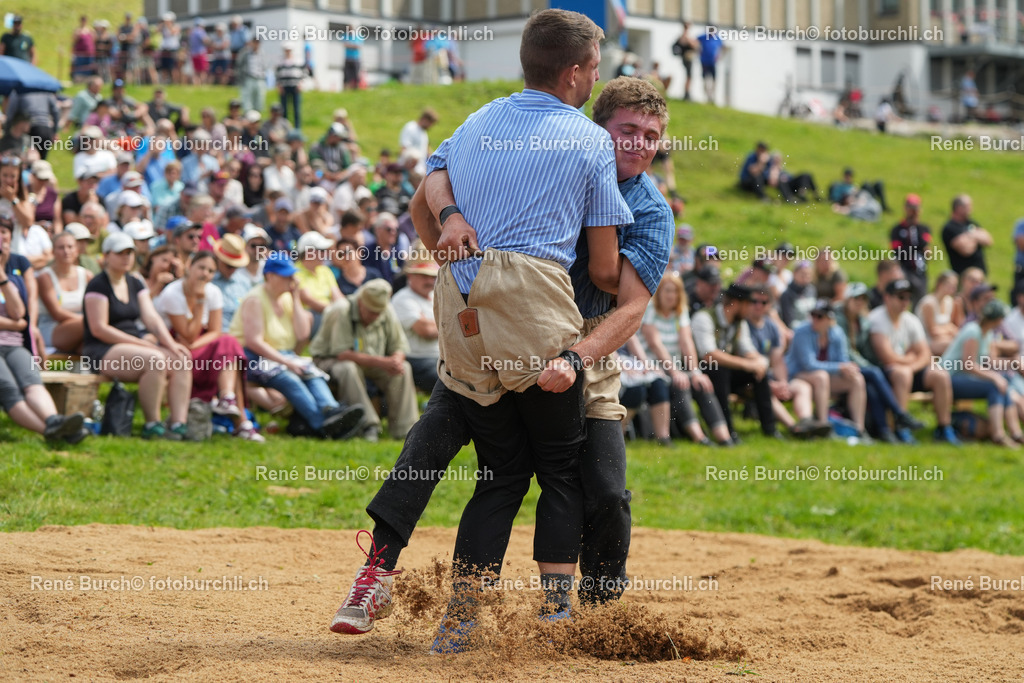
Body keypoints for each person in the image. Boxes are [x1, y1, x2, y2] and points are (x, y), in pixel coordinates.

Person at [329, 69, 666, 646]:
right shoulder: (555, 153)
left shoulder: (649, 209)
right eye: (626, 130)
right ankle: (393, 582)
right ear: (595, 126)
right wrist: (450, 258)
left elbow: (626, 300)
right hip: (494, 327)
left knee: (602, 489)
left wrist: (579, 355)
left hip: (583, 341)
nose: (637, 143)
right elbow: (427, 191)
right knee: (447, 449)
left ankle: (601, 615)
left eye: (650, 134)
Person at [229, 251, 364, 438]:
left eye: (292, 275)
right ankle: (321, 425)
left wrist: (295, 298)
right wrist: (287, 361)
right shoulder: (255, 299)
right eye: (286, 276)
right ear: (270, 276)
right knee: (290, 379)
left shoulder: (286, 297)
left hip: (282, 354)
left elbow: (302, 334)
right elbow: (254, 342)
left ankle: (333, 412)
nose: (291, 279)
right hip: (253, 357)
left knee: (312, 373)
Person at [82, 232, 192, 439]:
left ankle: (179, 424)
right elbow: (99, 329)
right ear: (106, 256)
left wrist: (170, 344)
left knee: (181, 359)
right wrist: (141, 344)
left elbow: (151, 318)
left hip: (134, 345)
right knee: (155, 360)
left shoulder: (135, 282)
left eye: (130, 253)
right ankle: (153, 424)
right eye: (121, 253)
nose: (127, 258)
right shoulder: (98, 284)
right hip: (101, 349)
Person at [154, 251, 262, 442]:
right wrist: (200, 303)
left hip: (194, 346)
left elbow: (214, 331)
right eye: (201, 268)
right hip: (174, 351)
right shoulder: (173, 293)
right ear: (189, 267)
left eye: (211, 271)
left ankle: (228, 398)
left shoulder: (213, 291)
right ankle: (242, 422)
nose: (205, 274)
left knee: (229, 344)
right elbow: (187, 333)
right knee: (230, 353)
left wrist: (194, 343)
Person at [0, 220, 87, 444]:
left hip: (14, 344)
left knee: (32, 382)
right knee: (9, 389)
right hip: (10, 338)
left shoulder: (8, 277)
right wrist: (14, 324)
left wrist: (2, 277)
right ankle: (54, 430)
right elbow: (17, 321)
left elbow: (19, 313)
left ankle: (53, 422)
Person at [311, 279, 418, 441]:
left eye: (378, 312)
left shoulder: (386, 309)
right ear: (360, 302)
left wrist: (396, 360)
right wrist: (383, 362)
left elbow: (399, 346)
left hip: (369, 361)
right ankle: (369, 425)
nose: (375, 316)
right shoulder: (342, 309)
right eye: (371, 311)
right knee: (347, 368)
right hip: (328, 361)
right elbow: (342, 353)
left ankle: (405, 429)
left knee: (404, 368)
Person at [640, 272, 731, 445]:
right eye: (667, 291)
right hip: (654, 367)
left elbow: (686, 342)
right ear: (659, 293)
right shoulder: (650, 309)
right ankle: (698, 436)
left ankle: (723, 436)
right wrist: (675, 372)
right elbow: (655, 344)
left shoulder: (680, 312)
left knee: (702, 384)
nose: (671, 295)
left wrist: (695, 371)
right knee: (680, 385)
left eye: (675, 291)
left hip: (675, 367)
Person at [867, 278, 959, 445]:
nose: (905, 302)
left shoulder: (911, 320)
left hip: (907, 370)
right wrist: (910, 360)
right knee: (903, 374)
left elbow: (925, 353)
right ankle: (901, 426)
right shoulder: (876, 320)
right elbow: (887, 357)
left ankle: (943, 427)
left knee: (940, 375)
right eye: (901, 297)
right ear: (887, 297)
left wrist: (911, 364)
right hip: (884, 373)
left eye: (908, 298)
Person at [939, 300, 1022, 447]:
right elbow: (968, 365)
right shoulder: (973, 331)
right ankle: (998, 435)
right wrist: (995, 377)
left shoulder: (987, 333)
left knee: (1003, 384)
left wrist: (1013, 362)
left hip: (964, 378)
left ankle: (1016, 434)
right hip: (948, 380)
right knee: (995, 385)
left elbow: (989, 362)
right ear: (997, 319)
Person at [785, 299, 868, 439]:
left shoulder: (837, 333)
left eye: (820, 316)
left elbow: (843, 360)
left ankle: (859, 429)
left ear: (830, 319)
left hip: (822, 379)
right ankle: (823, 425)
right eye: (813, 315)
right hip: (797, 376)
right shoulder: (801, 332)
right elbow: (809, 365)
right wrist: (840, 367)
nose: (815, 319)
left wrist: (848, 368)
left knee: (857, 379)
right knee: (821, 376)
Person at [390, 247, 440, 393]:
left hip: (439, 358)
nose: (430, 281)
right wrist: (449, 324)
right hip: (417, 359)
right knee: (449, 380)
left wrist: (433, 324)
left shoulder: (435, 297)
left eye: (433, 276)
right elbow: (426, 330)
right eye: (424, 276)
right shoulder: (403, 298)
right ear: (410, 276)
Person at [37, 231, 93, 354]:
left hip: (83, 329)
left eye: (70, 247)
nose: (66, 251)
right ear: (53, 252)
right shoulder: (44, 277)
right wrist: (90, 321)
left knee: (87, 349)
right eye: (61, 247)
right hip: (53, 327)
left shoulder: (87, 275)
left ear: (77, 250)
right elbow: (57, 313)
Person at [295, 230, 343, 336]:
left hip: (328, 314)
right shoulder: (295, 272)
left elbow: (338, 296)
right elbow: (308, 300)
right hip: (311, 317)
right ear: (308, 252)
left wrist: (344, 309)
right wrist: (336, 311)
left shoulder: (325, 270)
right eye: (321, 250)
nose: (325, 254)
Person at [890, 193, 931, 303]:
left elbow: (926, 248)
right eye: (910, 208)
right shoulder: (897, 230)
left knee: (921, 301)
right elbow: (898, 251)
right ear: (905, 208)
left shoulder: (923, 228)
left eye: (915, 209)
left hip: (920, 271)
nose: (913, 212)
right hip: (904, 270)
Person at [210, 233, 252, 331]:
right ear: (218, 259)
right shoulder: (208, 281)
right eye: (229, 266)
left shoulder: (244, 282)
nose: (232, 270)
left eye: (236, 267)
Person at [942, 194, 991, 275]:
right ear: (958, 208)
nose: (971, 209)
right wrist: (976, 236)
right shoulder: (950, 228)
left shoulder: (972, 223)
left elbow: (988, 241)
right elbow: (966, 250)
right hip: (963, 275)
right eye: (968, 206)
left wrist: (969, 237)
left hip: (980, 274)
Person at [916, 270, 959, 356]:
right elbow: (932, 332)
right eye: (950, 284)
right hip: (926, 341)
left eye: (955, 285)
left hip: (942, 338)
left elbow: (949, 325)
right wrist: (949, 331)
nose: (952, 288)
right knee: (953, 344)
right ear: (940, 284)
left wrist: (950, 331)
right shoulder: (929, 303)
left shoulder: (949, 301)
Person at [399, 109, 438, 176]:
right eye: (430, 123)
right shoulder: (410, 128)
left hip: (420, 170)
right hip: (410, 171)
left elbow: (427, 151)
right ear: (425, 119)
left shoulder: (424, 133)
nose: (430, 126)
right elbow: (404, 149)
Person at [778, 260, 817, 327]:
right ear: (794, 273)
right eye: (803, 274)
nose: (806, 277)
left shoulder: (812, 290)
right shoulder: (787, 294)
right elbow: (790, 321)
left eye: (808, 274)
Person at [275, 45, 305, 129]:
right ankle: (285, 127)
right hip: (284, 86)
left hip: (295, 86)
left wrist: (301, 83)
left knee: (296, 109)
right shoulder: (280, 61)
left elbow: (303, 72)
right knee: (284, 109)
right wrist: (279, 85)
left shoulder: (297, 60)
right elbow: (277, 75)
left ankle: (297, 128)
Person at [236, 37, 267, 114]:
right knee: (247, 100)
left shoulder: (262, 53)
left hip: (259, 79)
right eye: (255, 42)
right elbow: (239, 65)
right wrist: (240, 79)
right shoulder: (245, 53)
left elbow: (264, 67)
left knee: (259, 99)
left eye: (258, 42)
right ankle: (248, 116)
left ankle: (257, 117)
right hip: (248, 78)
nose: (256, 44)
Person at [697, 27, 724, 104]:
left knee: (714, 80)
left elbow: (722, 48)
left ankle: (712, 96)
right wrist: (698, 51)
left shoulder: (717, 39)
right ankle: (707, 96)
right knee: (705, 79)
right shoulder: (703, 37)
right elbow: (695, 42)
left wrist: (719, 56)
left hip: (713, 63)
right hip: (704, 62)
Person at [674, 21, 699, 101]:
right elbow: (693, 45)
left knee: (689, 76)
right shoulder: (685, 35)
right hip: (687, 58)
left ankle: (687, 92)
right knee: (689, 76)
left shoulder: (684, 35)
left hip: (688, 58)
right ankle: (686, 93)